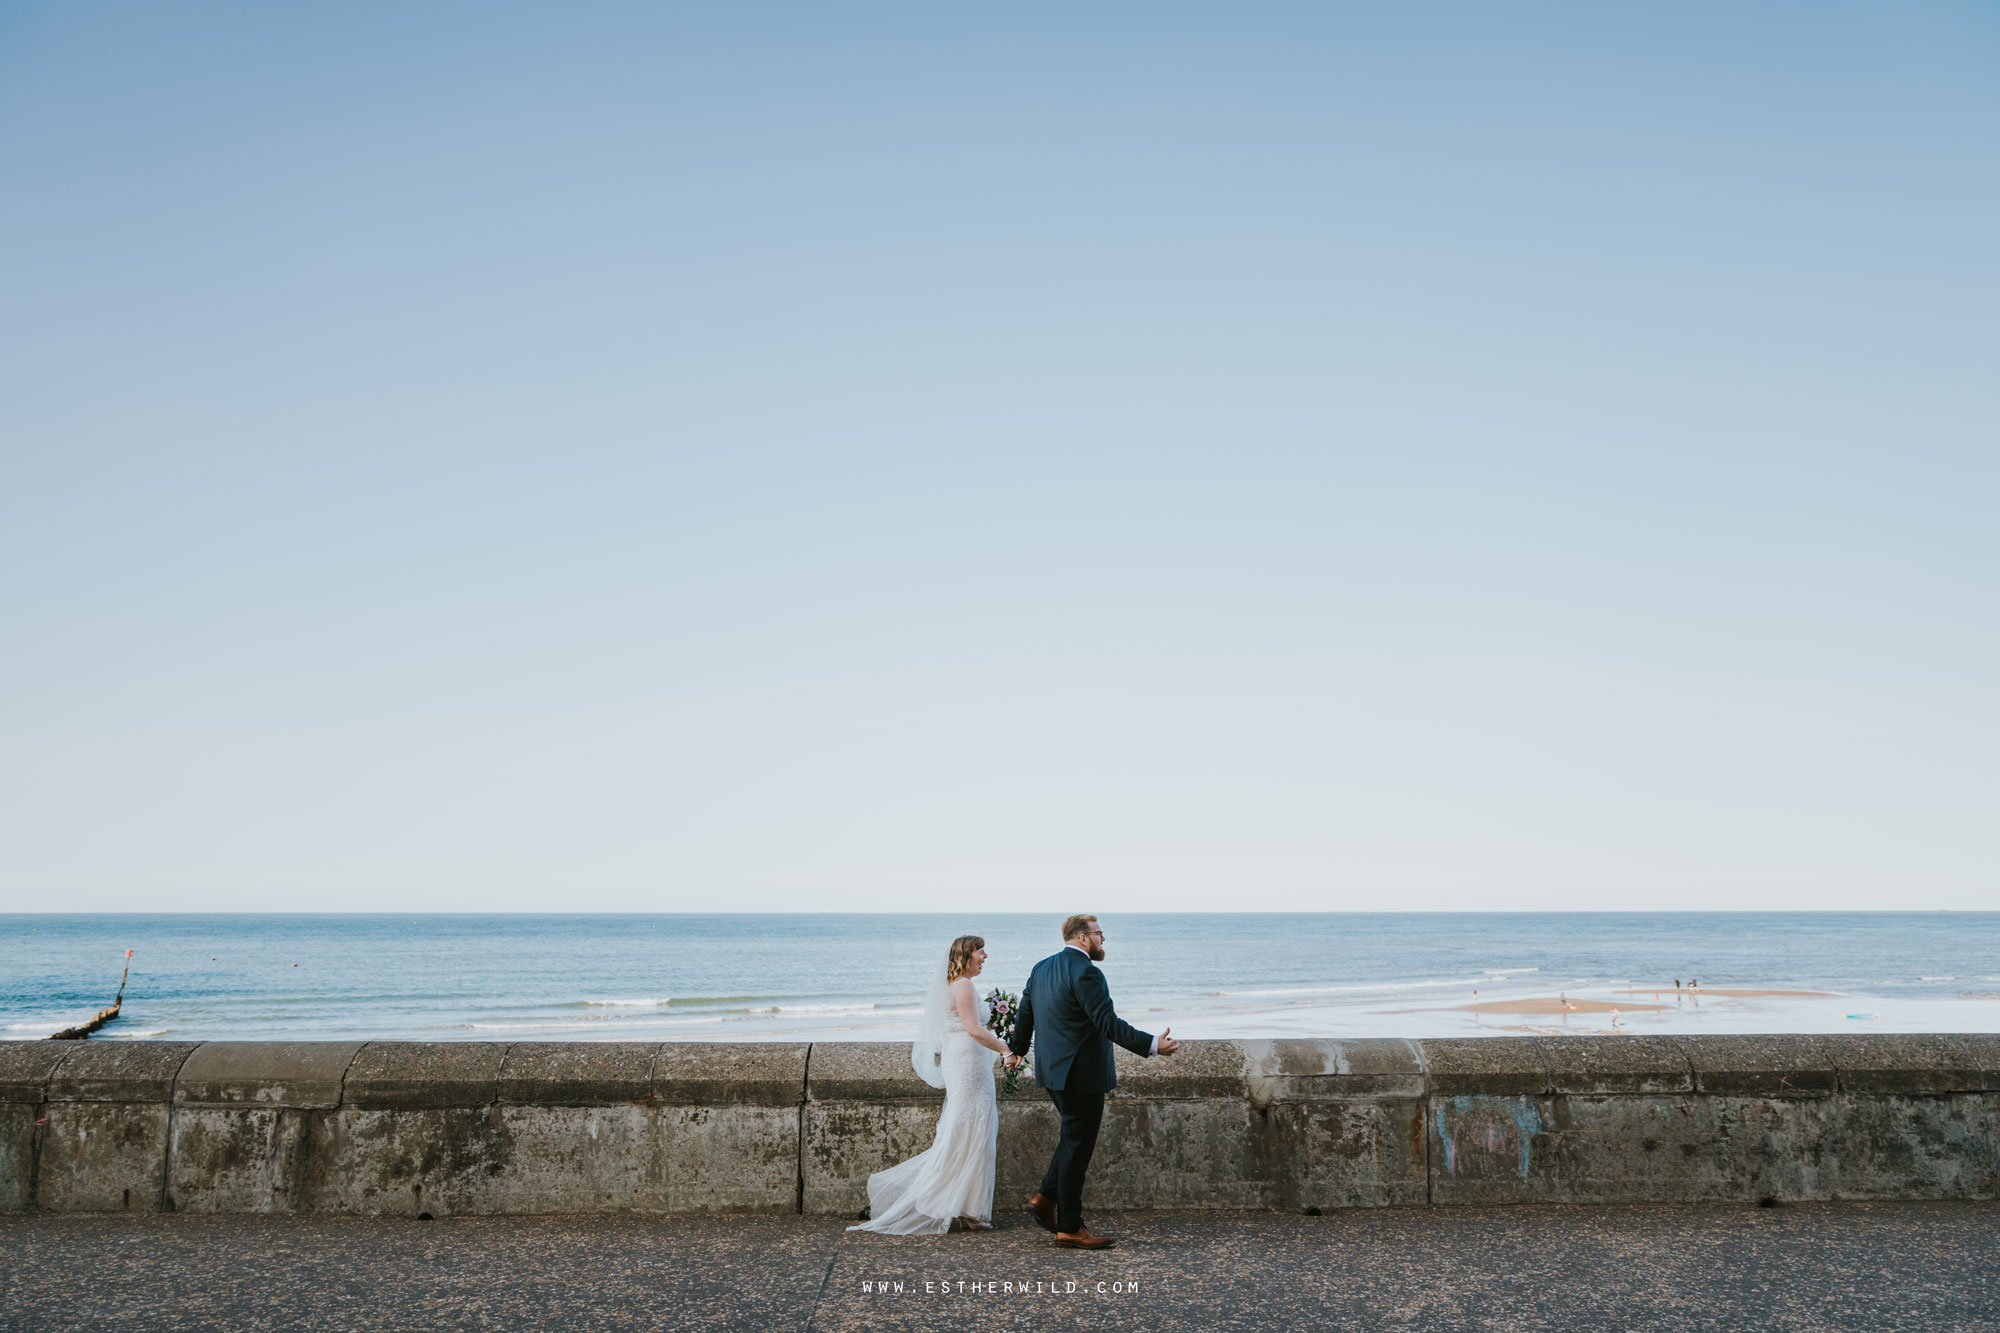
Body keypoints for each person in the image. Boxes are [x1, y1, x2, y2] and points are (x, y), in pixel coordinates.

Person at [1006, 914, 1178, 1251]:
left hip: (1053, 1071)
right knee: (1077, 1149)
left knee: (1072, 1139)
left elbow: (1024, 1014)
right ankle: (1069, 1227)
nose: (1103, 940)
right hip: (1081, 1074)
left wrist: (1018, 1050)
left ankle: (1044, 1199)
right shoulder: (1087, 972)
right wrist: (1152, 1044)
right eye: (1100, 934)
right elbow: (1106, 1022)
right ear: (1083, 938)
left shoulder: (1041, 968)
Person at [848, 935, 1013, 1235]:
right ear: (967, 954)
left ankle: (966, 1205)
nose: (985, 956)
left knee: (968, 1130)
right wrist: (1005, 1049)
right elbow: (974, 1030)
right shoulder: (963, 985)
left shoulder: (956, 985)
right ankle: (964, 1209)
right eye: (980, 951)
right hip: (968, 1065)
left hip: (965, 1061)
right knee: (970, 1130)